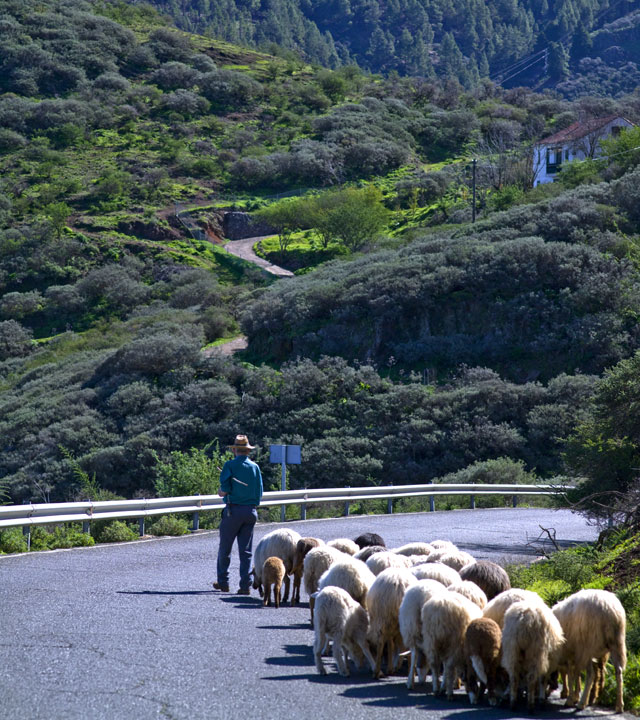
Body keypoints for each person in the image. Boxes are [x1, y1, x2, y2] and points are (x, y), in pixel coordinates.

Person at [213, 434, 263, 595]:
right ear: (248, 451)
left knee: (225, 548)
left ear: (235, 450)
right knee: (246, 551)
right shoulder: (255, 467)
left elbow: (224, 490)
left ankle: (223, 582)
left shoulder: (229, 465)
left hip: (233, 511)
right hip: (250, 511)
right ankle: (245, 585)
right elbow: (259, 492)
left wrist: (221, 492)